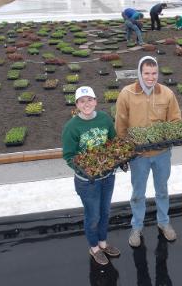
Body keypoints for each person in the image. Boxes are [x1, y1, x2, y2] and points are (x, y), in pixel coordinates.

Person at [115, 56, 182, 247]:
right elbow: (120, 125)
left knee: (162, 190)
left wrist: (165, 135)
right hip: (138, 156)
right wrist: (123, 152)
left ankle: (164, 222)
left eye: (154, 73)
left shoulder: (167, 94)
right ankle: (136, 227)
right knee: (138, 193)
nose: (151, 77)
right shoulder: (127, 94)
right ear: (140, 73)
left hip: (161, 153)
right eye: (147, 73)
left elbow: (175, 121)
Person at [62, 86, 121, 266]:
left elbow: (113, 142)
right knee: (93, 215)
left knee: (105, 212)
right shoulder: (71, 127)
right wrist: (84, 169)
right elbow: (69, 156)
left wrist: (118, 157)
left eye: (89, 100)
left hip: (108, 176)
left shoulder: (104, 119)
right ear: (77, 105)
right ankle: (94, 247)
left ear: (95, 101)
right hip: (87, 182)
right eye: (82, 101)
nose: (86, 104)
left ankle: (103, 243)